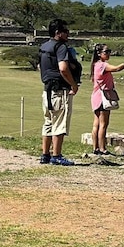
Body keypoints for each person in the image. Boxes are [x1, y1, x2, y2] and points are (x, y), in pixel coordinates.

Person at [39, 19, 81, 166]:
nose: (68, 34)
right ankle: (56, 155)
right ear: (58, 33)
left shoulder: (44, 47)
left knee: (48, 122)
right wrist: (73, 85)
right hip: (59, 90)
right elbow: (63, 68)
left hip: (47, 90)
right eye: (65, 31)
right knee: (60, 123)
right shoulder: (61, 47)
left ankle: (45, 154)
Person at [91, 44, 124, 154]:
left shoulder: (96, 65)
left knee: (96, 123)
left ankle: (95, 147)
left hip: (96, 96)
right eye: (106, 52)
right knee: (103, 124)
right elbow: (117, 68)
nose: (109, 54)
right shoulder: (102, 65)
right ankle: (102, 148)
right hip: (103, 97)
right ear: (99, 53)